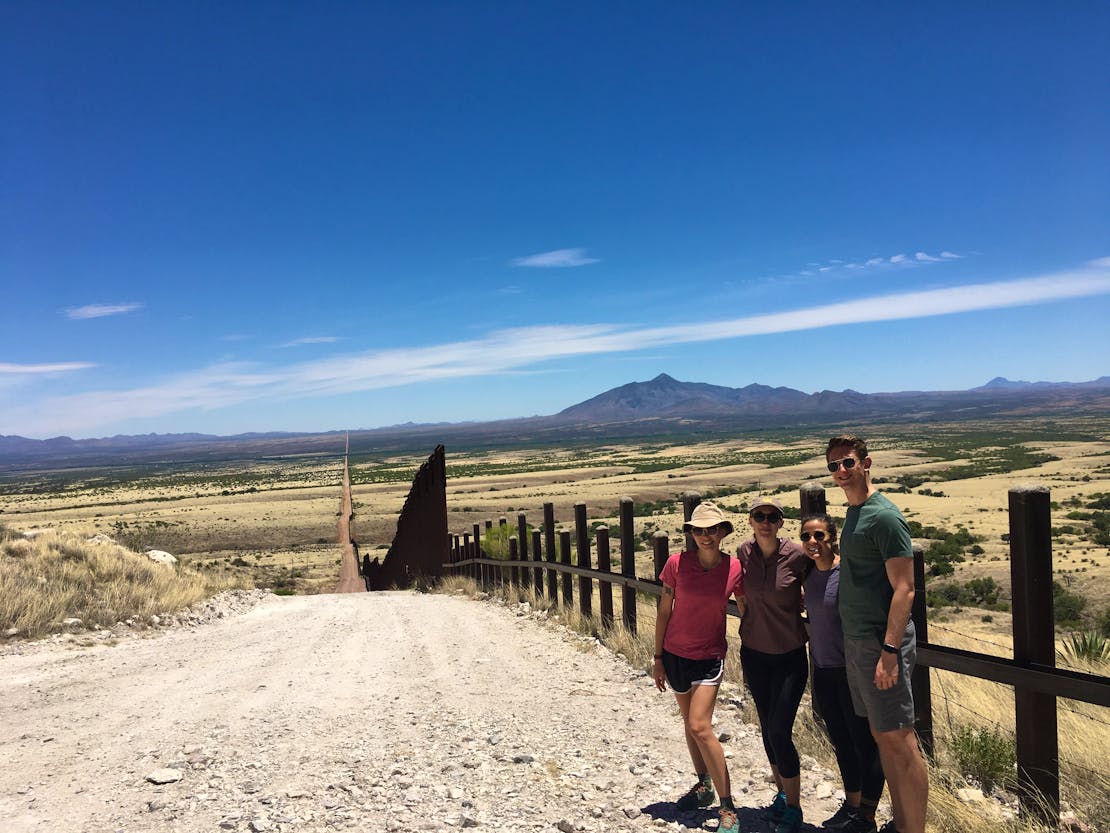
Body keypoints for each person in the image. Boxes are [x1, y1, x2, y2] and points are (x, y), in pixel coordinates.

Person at [825, 435, 928, 833]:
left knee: (900, 741)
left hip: (879, 644)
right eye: (833, 465)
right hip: (859, 643)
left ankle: (913, 828)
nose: (841, 471)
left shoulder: (884, 516)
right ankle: (901, 822)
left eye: (847, 463)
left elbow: (905, 588)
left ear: (866, 463)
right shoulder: (855, 513)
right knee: (883, 735)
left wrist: (889, 650)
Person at [653, 501, 746, 833]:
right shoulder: (676, 564)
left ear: (722, 532)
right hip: (675, 654)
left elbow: (748, 608)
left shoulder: (735, 568)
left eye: (712, 530)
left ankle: (728, 807)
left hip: (709, 657)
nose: (706, 536)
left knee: (700, 726)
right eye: (699, 530)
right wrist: (658, 658)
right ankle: (703, 785)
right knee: (689, 725)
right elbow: (664, 611)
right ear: (691, 533)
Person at [801, 513, 885, 833]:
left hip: (852, 671)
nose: (813, 542)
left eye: (819, 536)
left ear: (832, 538)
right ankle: (852, 807)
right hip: (822, 669)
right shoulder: (807, 574)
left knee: (864, 743)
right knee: (841, 741)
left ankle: (867, 814)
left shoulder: (847, 573)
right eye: (807, 536)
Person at [735, 497, 810, 833]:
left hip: (789, 655)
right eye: (759, 516)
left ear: (781, 523)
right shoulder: (743, 553)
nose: (765, 521)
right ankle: (781, 794)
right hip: (753, 652)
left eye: (772, 517)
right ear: (750, 521)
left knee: (780, 729)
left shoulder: (797, 555)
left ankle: (794, 808)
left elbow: (822, 582)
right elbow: (736, 587)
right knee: (767, 728)